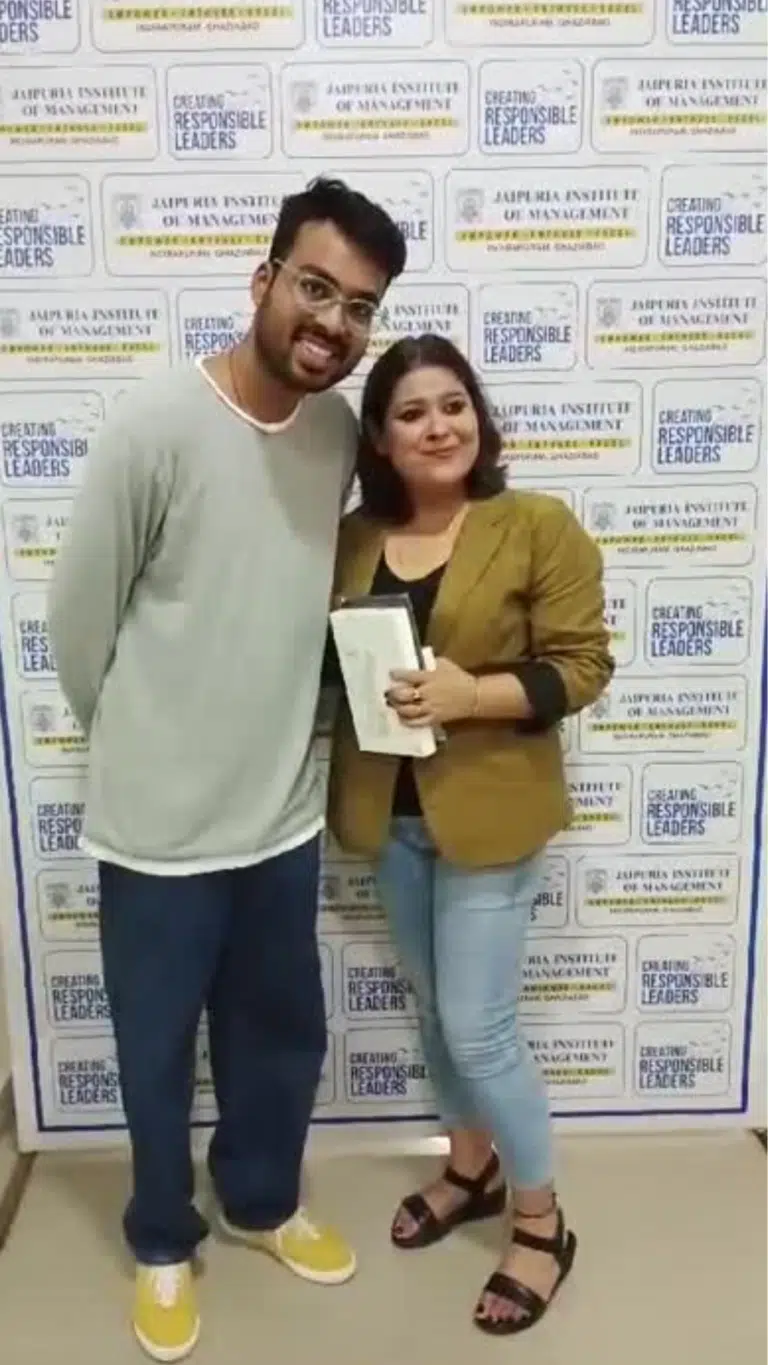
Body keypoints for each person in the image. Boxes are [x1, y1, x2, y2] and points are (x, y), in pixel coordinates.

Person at [48, 177, 406, 1363]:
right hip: (155, 831)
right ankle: (163, 1237)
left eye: (359, 307)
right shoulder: (154, 426)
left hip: (279, 820)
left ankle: (260, 1200)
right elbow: (79, 627)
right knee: (155, 1054)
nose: (332, 322)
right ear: (264, 281)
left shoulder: (337, 435)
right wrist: (151, 742)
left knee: (279, 1038)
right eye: (316, 288)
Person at [325, 334, 614, 1336]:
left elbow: (582, 667)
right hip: (389, 817)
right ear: (381, 438)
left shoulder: (536, 525)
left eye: (453, 405)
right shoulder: (353, 538)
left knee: (481, 1028)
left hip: (493, 817)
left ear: (480, 418)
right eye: (411, 412)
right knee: (438, 1015)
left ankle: (540, 1223)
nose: (438, 426)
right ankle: (471, 1168)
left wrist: (471, 694)